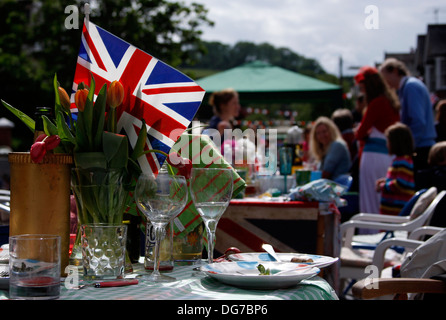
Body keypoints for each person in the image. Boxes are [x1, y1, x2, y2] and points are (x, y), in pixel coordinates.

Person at [354, 66, 400, 214]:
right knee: (383, 198)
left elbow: (359, 133)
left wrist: (361, 132)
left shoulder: (377, 103)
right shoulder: (390, 102)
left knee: (370, 198)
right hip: (388, 155)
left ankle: (370, 233)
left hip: (373, 156)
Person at [379, 58, 436, 172]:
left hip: (421, 148)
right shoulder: (408, 87)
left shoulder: (411, 87)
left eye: (385, 77)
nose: (385, 83)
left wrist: (407, 148)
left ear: (395, 71)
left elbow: (418, 121)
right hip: (421, 146)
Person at [376, 123, 415, 215]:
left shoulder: (403, 161)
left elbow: (400, 184)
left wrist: (382, 186)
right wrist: (385, 181)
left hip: (396, 212)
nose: (387, 144)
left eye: (388, 141)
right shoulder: (399, 160)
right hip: (391, 211)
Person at [309, 116, 351, 180]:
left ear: (331, 131)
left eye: (324, 131)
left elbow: (326, 173)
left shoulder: (337, 145)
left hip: (337, 186)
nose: (322, 135)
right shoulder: (324, 149)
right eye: (318, 133)